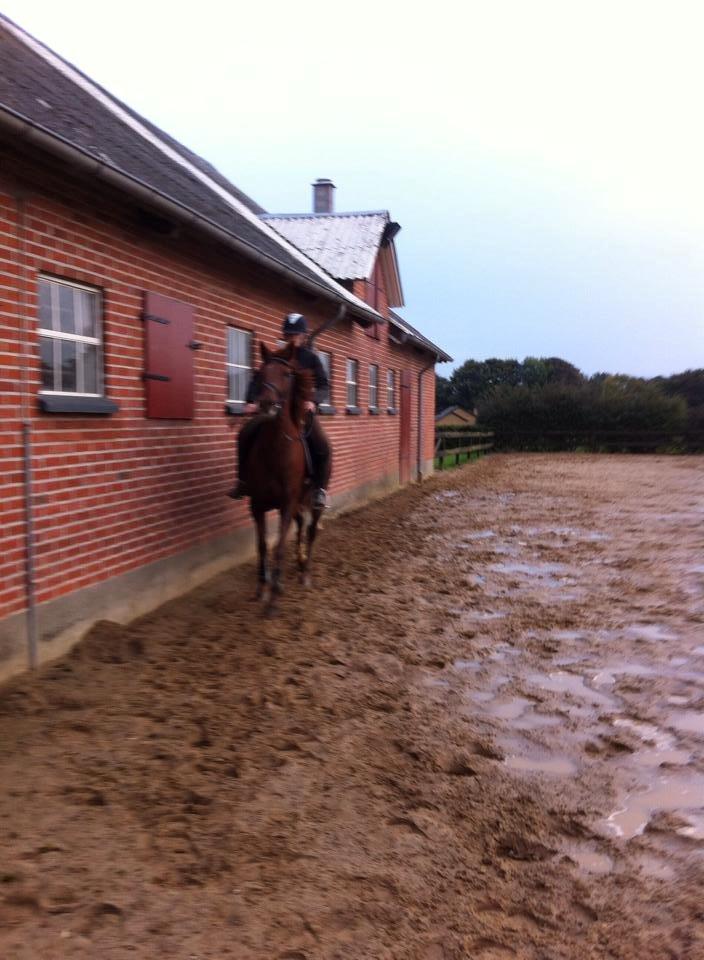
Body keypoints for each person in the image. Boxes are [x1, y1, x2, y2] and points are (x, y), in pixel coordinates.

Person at [227, 313, 332, 509]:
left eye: (295, 334)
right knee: (244, 434)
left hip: (302, 414)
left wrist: (313, 401)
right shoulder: (277, 356)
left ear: (303, 336)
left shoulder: (311, 359)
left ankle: (319, 490)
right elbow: (258, 379)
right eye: (288, 334)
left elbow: (324, 386)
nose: (291, 338)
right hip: (275, 411)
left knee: (323, 446)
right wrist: (251, 401)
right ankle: (243, 482)